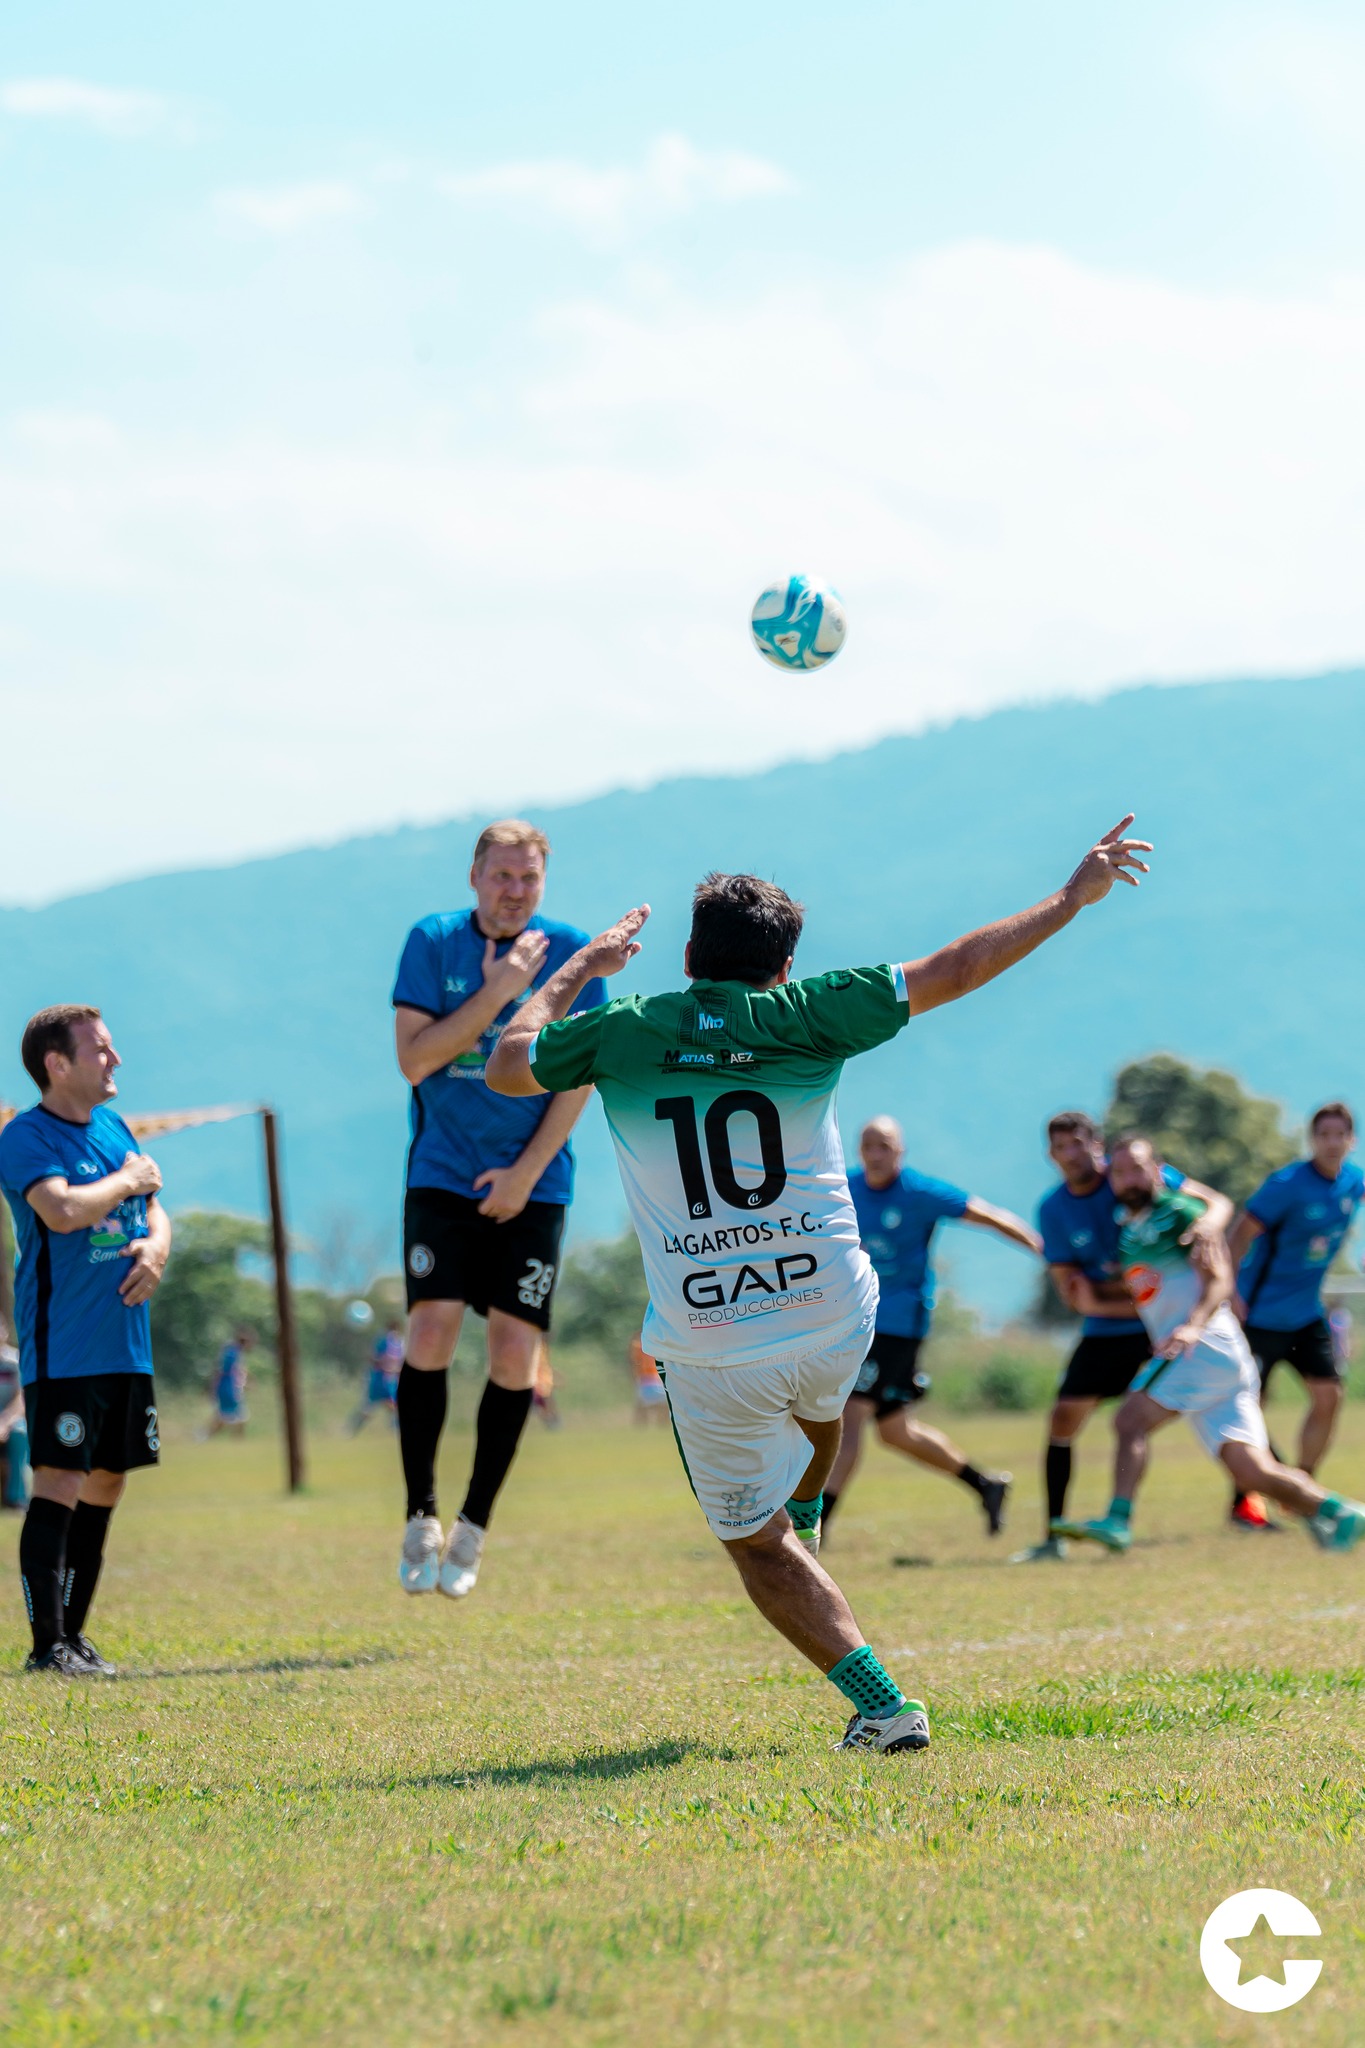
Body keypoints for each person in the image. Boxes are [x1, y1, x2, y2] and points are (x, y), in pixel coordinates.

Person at [490, 816, 1154, 1754]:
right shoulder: (812, 1010)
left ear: (689, 957)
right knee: (818, 1394)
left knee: (754, 1545)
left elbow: (507, 1065)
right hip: (836, 1310)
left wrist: (575, 971)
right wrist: (1069, 898)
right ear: (784, 966)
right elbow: (958, 967)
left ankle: (882, 1707)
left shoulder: (623, 1028)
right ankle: (806, 1506)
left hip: (712, 1340)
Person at [390, 821, 606, 1600]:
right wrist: (498, 991)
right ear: (474, 875)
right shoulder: (433, 940)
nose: (514, 891)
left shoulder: (573, 951)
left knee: (515, 1354)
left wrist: (524, 1174)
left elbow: (578, 1077)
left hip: (533, 1181)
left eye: (528, 879)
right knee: (430, 1331)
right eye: (502, 876)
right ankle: (421, 1513)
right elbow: (416, 1059)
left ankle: (474, 1525)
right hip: (441, 1172)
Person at [1058, 1135, 1365, 1553]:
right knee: (1251, 1471)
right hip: (1213, 1356)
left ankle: (1118, 1521)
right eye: (1121, 1172)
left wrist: (1192, 1325)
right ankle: (1341, 1512)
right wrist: (1093, 1303)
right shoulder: (1129, 1233)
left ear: (1157, 1171)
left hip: (1204, 1345)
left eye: (1137, 1169)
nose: (1129, 1179)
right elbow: (1151, 1296)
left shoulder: (1181, 1214)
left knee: (1129, 1421)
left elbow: (1220, 1281)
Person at [0, 1006, 171, 1676]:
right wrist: (129, 1180)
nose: (115, 1059)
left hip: (125, 1346)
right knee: (60, 1479)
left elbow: (155, 1207)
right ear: (57, 1064)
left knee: (106, 1483)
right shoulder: (25, 1136)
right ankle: (47, 1646)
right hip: (64, 1348)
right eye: (100, 1049)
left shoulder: (113, 1126)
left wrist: (155, 1250)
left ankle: (73, 1638)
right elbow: (63, 1210)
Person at [1012, 1111, 1233, 1562]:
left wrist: (1210, 1223)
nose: (1071, 1155)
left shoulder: (1132, 1176)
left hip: (1167, 1323)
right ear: (1051, 1156)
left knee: (1224, 1404)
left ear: (1098, 1146)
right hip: (1111, 1328)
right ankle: (1054, 1536)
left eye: (1078, 1143)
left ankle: (1259, 1502)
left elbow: (1215, 1203)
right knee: (1063, 1418)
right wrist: (1107, 1300)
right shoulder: (1053, 1210)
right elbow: (1075, 1293)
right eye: (1060, 1148)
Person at [821, 1115, 1041, 1537]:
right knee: (895, 1432)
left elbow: (987, 1215)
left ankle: (814, 1527)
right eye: (868, 1146)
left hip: (896, 1326)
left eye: (885, 1146)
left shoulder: (920, 1192)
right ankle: (985, 1485)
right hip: (852, 1322)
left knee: (850, 1416)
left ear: (900, 1151)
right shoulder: (842, 1189)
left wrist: (1042, 1248)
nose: (876, 1155)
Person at [1225, 1104, 1364, 1517]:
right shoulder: (1286, 1185)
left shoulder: (1353, 1183)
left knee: (1329, 1397)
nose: (1332, 1143)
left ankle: (1302, 1487)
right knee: (1249, 1410)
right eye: (1324, 1135)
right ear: (1312, 1140)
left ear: (1352, 1140)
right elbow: (1239, 1236)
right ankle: (1244, 1504)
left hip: (1306, 1315)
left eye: (1340, 1135)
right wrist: (1229, 1291)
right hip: (1259, 1315)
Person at [348, 1321, 403, 1432]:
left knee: (391, 1407)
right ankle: (350, 1429)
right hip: (380, 1380)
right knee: (370, 1408)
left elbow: (373, 1358)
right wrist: (385, 1365)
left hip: (388, 1381)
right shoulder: (386, 1342)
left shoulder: (396, 1343)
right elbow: (374, 1359)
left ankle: (350, 1429)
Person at [0, 1319, 29, 1510]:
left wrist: (4, 1422)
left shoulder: (16, 1361)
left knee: (19, 1433)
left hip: (11, 1420)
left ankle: (16, 1498)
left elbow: (21, 1398)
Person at [207, 1328, 252, 1437]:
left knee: (232, 1418)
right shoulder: (232, 1354)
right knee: (231, 1418)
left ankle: (237, 1440)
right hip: (229, 1389)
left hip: (230, 1389)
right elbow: (224, 1372)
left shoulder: (235, 1353)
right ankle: (204, 1436)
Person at [630, 1334, 669, 1424]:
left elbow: (634, 1364)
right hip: (653, 1379)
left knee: (642, 1406)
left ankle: (643, 1426)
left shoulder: (639, 1347)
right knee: (663, 1404)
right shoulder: (656, 1347)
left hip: (648, 1379)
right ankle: (661, 1425)